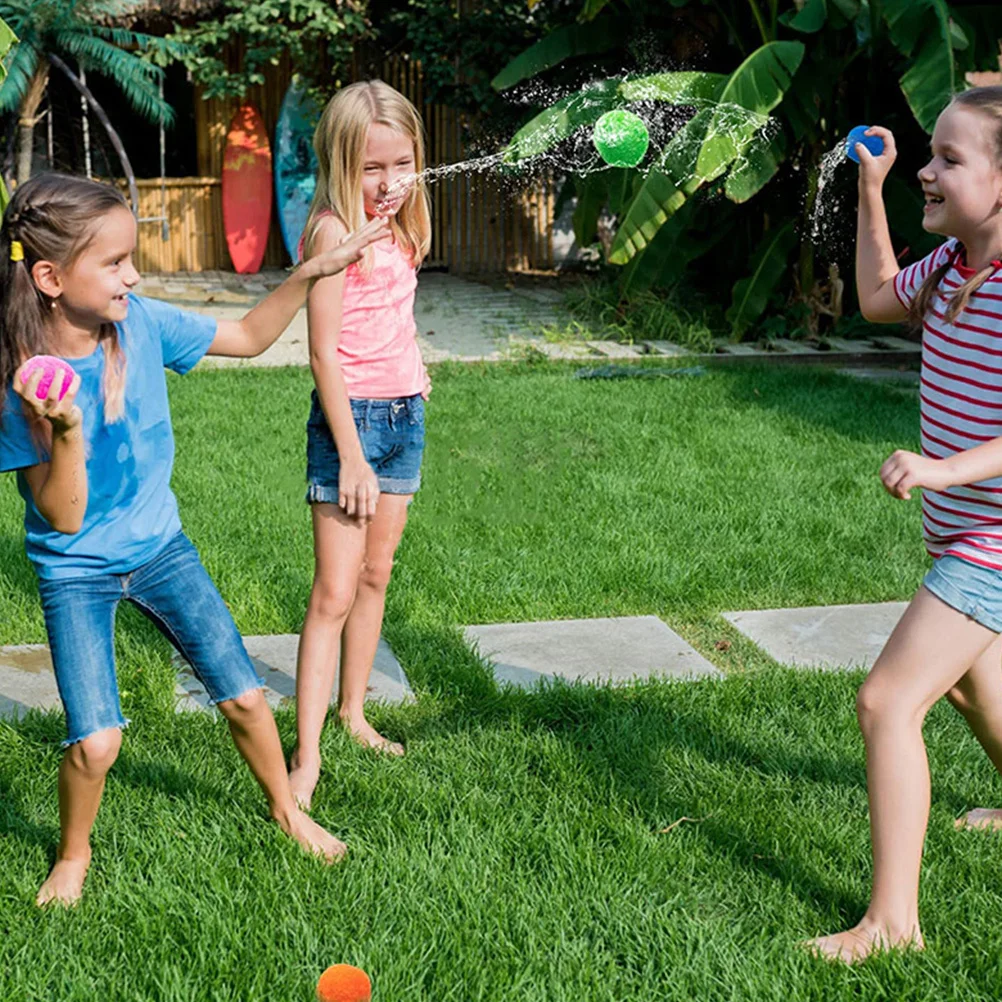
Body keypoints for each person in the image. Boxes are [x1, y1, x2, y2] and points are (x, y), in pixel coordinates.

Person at [0, 172, 390, 906]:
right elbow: (65, 519)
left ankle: (286, 810)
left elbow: (244, 336)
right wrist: (68, 430)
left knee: (244, 698)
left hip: (161, 550)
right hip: (74, 569)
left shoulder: (140, 322)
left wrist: (307, 275)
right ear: (49, 277)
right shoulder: (21, 382)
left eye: (130, 258)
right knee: (97, 743)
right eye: (114, 263)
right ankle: (74, 855)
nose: (134, 275)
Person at [809, 87, 1002, 961]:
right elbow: (881, 299)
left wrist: (940, 468)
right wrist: (872, 189)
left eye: (950, 160)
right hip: (958, 533)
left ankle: (893, 925)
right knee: (967, 685)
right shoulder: (953, 267)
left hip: (990, 543)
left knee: (887, 702)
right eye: (931, 152)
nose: (929, 167)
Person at [287, 80, 432, 812]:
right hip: (352, 428)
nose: (388, 183)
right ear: (343, 163)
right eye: (372, 169)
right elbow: (322, 354)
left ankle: (353, 712)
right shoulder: (331, 235)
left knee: (377, 575)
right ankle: (306, 755)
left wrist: (416, 366)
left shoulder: (403, 228)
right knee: (334, 592)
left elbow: (389, 319)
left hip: (404, 418)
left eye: (400, 164)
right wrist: (348, 454)